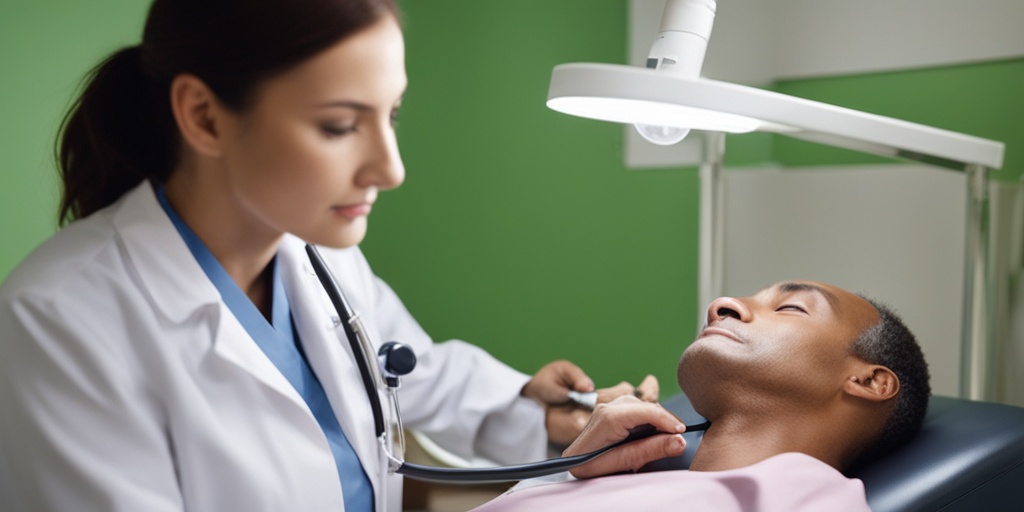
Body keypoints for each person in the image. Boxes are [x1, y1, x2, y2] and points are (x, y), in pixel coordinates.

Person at [0, 1, 657, 511]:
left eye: (390, 115)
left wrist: (554, 419)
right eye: (340, 126)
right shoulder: (59, 323)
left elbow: (407, 373)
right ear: (203, 116)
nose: (391, 169)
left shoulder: (313, 254)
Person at [472, 280, 931, 511]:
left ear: (871, 382)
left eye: (790, 306)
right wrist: (568, 473)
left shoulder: (813, 499)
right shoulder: (594, 478)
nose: (723, 305)